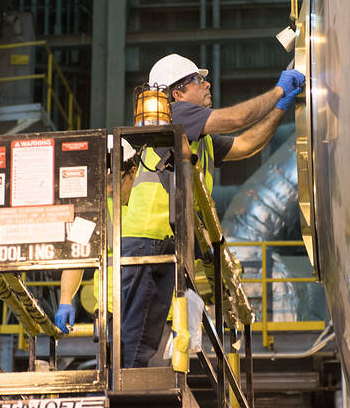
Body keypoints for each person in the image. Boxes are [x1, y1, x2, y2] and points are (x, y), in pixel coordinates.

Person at [119, 53, 304, 368]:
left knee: (143, 340)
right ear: (177, 94)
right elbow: (234, 120)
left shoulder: (198, 136)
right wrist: (278, 92)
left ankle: (131, 395)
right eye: (197, 80)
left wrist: (280, 109)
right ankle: (123, 404)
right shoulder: (176, 114)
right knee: (136, 342)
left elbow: (246, 145)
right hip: (147, 240)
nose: (206, 84)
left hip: (167, 243)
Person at [55, 137, 139, 334]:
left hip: (150, 306)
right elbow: (77, 255)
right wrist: (65, 300)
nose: (108, 189)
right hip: (108, 310)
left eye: (112, 181)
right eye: (103, 182)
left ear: (133, 172)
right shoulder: (95, 208)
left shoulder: (148, 201)